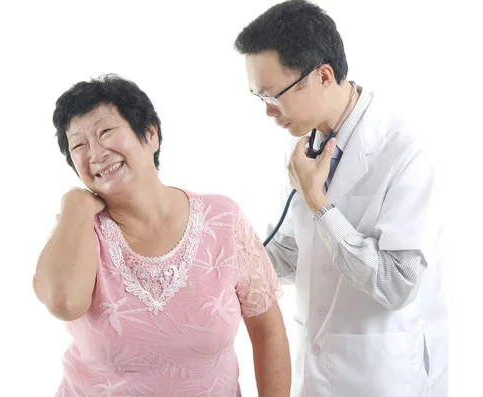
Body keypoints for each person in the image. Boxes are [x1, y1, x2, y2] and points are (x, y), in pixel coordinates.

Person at [234, 1, 448, 396]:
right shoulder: (301, 149)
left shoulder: (406, 148)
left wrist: (319, 204)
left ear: (324, 75)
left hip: (379, 374)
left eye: (272, 95)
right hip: (315, 371)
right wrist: (213, 257)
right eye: (257, 96)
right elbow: (292, 253)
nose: (267, 112)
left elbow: (397, 284)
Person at [32, 74, 291, 397]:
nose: (95, 154)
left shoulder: (222, 220)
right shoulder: (79, 229)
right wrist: (74, 204)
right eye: (78, 146)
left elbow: (269, 333)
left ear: (150, 134)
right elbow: (63, 302)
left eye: (106, 132)